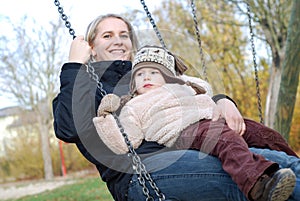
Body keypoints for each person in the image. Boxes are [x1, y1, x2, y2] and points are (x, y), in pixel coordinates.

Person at [52, 13, 300, 201]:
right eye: (107, 36)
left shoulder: (147, 73)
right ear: (91, 48)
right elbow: (69, 128)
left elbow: (186, 93)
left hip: (189, 141)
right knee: (253, 176)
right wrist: (74, 64)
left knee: (281, 160)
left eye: (123, 34)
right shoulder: (80, 85)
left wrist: (222, 100)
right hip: (142, 171)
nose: (118, 41)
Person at [93, 45, 297, 201]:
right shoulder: (133, 105)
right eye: (139, 74)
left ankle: (293, 165)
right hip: (182, 131)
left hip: (213, 119)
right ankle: (257, 185)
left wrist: (221, 99)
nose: (146, 77)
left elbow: (205, 87)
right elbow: (124, 141)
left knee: (262, 133)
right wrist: (105, 118)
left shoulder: (184, 85)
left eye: (154, 72)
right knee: (226, 141)